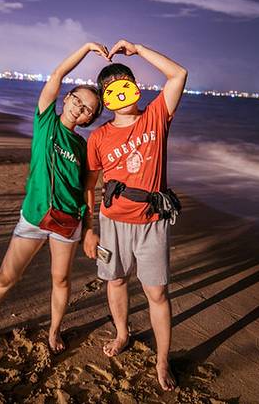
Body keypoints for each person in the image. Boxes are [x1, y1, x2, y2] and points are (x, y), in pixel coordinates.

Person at [0, 42, 108, 355]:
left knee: (61, 280)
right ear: (66, 98)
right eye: (76, 100)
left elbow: (86, 189)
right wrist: (86, 48)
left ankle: (54, 331)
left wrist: (89, 227)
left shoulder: (84, 148)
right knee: (5, 279)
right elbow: (57, 74)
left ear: (89, 119)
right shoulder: (46, 122)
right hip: (34, 216)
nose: (79, 109)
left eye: (87, 109)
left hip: (67, 222)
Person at [83, 40, 187, 391]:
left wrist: (139, 50)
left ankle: (162, 360)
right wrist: (89, 228)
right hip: (112, 222)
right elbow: (90, 185)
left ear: (135, 87)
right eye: (111, 89)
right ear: (105, 98)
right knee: (115, 281)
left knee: (157, 293)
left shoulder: (156, 116)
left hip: (152, 223)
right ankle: (122, 333)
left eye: (125, 84)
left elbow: (178, 74)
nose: (120, 92)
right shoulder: (98, 137)